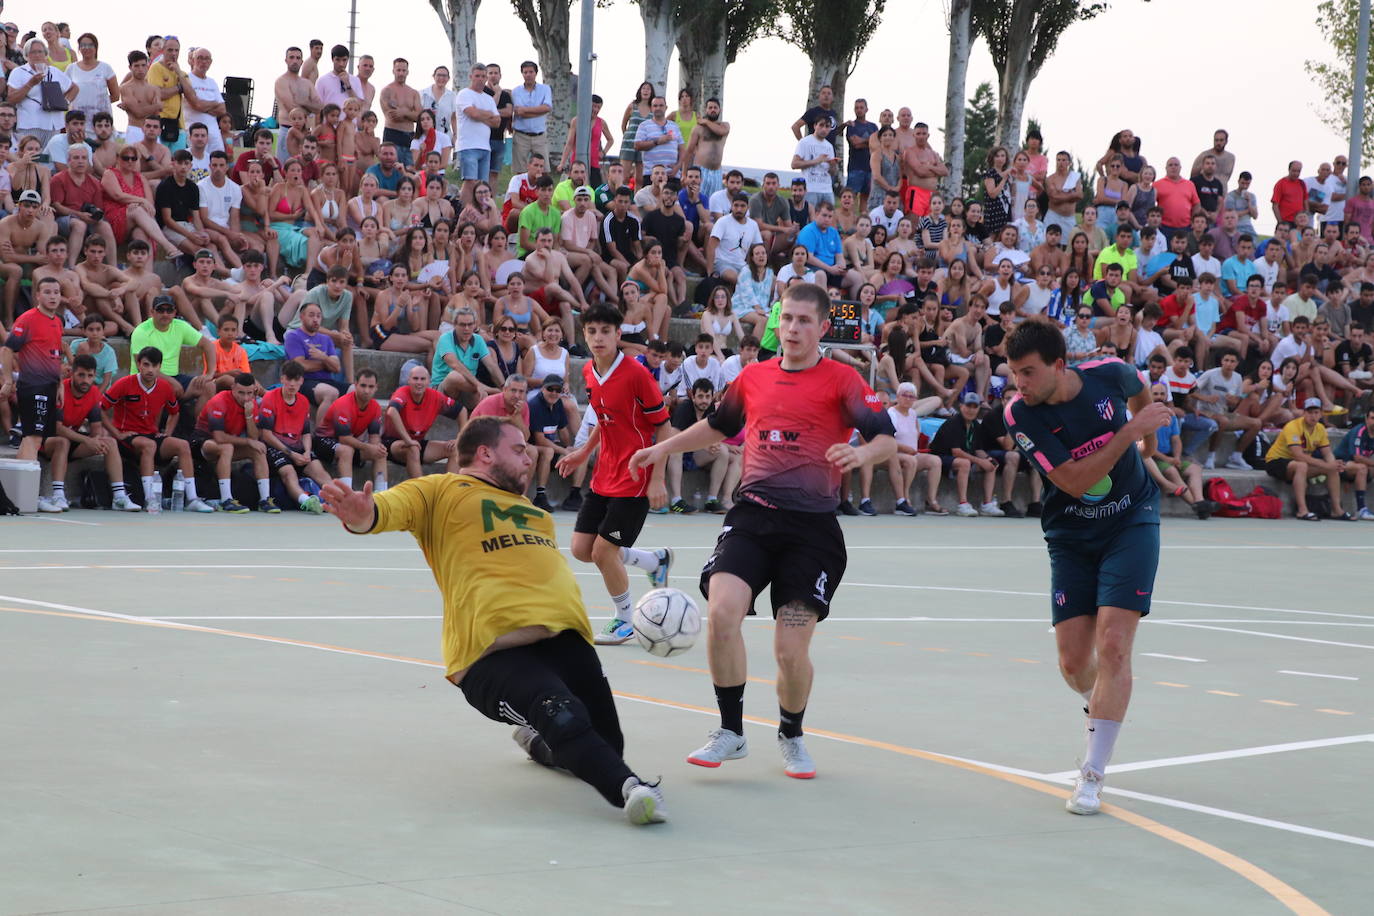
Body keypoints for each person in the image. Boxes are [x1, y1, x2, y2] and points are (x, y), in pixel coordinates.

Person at [321, 416, 667, 824]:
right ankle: (633, 791)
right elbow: (385, 510)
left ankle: (543, 746)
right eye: (519, 450)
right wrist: (361, 516)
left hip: (564, 642)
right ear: (485, 453)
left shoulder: (532, 511)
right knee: (563, 714)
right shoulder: (440, 490)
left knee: (605, 744)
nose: (529, 458)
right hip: (493, 655)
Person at [626, 282, 895, 778]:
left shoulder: (844, 380)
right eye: (787, 319)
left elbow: (887, 439)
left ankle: (791, 734)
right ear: (777, 322)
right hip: (752, 516)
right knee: (722, 613)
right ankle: (730, 731)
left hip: (812, 530)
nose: (793, 328)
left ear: (823, 327)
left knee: (789, 651)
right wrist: (662, 449)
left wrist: (859, 453)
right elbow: (718, 427)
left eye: (804, 321)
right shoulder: (752, 377)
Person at [1004, 320, 1170, 816]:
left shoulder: (1109, 373)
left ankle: (1092, 775)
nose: (1020, 384)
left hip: (1131, 522)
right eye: (1013, 373)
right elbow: (1075, 481)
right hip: (1071, 535)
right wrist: (1130, 435)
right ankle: (1100, 702)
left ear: (1059, 365)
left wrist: (1150, 445)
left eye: (1029, 372)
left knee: (1114, 645)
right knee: (1075, 664)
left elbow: (1141, 392)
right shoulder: (1021, 415)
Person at [554, 303, 675, 645]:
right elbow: (602, 417)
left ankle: (625, 619)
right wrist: (582, 452)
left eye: (606, 331)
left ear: (618, 334)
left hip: (635, 476)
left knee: (603, 552)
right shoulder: (590, 372)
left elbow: (664, 429)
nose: (598, 337)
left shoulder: (638, 375)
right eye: (591, 331)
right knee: (582, 548)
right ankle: (654, 561)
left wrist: (657, 478)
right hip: (605, 472)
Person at [103, 347, 214, 513]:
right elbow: (101, 409)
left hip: (151, 435)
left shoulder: (164, 387)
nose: (150, 370)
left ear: (160, 367)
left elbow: (174, 413)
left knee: (183, 445)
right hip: (127, 436)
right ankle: (150, 499)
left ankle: (192, 499)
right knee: (149, 445)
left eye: (155, 366)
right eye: (146, 365)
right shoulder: (124, 383)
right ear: (139, 364)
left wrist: (167, 433)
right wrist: (116, 433)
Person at [193, 372, 277, 514]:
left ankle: (264, 499)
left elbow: (254, 437)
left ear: (254, 391)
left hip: (229, 444)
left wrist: (249, 415)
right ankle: (226, 500)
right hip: (202, 443)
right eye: (241, 393)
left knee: (258, 450)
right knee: (227, 447)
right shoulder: (219, 401)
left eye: (249, 393)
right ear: (232, 388)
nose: (245, 398)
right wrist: (248, 441)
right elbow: (219, 437)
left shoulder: (251, 404)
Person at [1265, 398, 1354, 520]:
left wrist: (1333, 464)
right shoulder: (1293, 426)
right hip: (1276, 461)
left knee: (1332, 468)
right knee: (1302, 465)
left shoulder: (1320, 429)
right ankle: (1302, 510)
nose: (1313, 416)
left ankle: (1336, 510)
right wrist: (1326, 465)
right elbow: (1298, 455)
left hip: (1298, 464)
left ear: (1321, 414)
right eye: (1309, 412)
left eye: (1316, 412)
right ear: (1303, 413)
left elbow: (1327, 453)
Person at [314, 368, 389, 495]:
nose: (366, 390)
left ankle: (382, 495)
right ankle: (347, 495)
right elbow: (344, 439)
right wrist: (368, 447)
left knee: (380, 453)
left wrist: (376, 447)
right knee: (346, 450)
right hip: (323, 442)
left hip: (349, 443)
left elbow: (374, 436)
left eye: (371, 387)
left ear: (376, 387)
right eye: (363, 386)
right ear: (355, 385)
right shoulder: (344, 404)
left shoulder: (375, 407)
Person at [886, 381, 946, 515]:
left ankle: (931, 501)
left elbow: (916, 434)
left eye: (911, 396)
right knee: (911, 460)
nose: (908, 399)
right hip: (894, 454)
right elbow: (888, 441)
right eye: (904, 395)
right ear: (898, 396)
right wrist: (906, 449)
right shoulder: (892, 413)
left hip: (912, 454)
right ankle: (904, 498)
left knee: (935, 461)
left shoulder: (913, 414)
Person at [456, 63, 500, 207]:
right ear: (471, 77)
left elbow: (497, 122)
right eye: (477, 76)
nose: (480, 79)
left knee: (482, 185)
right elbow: (472, 114)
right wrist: (487, 115)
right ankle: (463, 212)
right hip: (468, 145)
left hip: (484, 146)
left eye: (483, 76)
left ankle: (481, 213)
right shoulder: (464, 94)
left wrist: (480, 113)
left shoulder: (488, 98)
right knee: (470, 181)